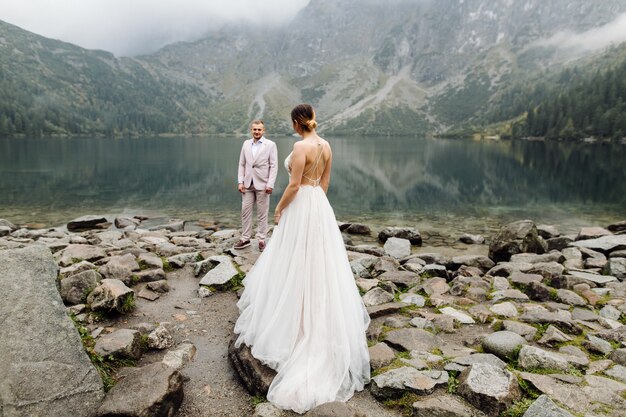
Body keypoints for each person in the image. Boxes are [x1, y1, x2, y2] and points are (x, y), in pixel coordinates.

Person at [234, 104, 370, 414]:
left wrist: (280, 209)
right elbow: (324, 184)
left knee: (293, 259)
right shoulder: (326, 145)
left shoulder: (300, 146)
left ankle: (292, 321)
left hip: (300, 207)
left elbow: (294, 186)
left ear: (298, 122)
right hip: (320, 207)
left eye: (292, 123)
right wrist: (318, 209)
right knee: (320, 264)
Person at [235, 120, 278, 251]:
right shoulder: (246, 144)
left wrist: (270, 184)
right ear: (251, 130)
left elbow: (273, 166)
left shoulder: (270, 145)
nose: (257, 132)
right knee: (245, 212)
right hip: (247, 184)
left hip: (263, 184)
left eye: (259, 130)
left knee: (262, 213)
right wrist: (240, 181)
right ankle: (245, 238)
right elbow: (242, 164)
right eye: (254, 129)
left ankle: (261, 239)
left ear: (263, 131)